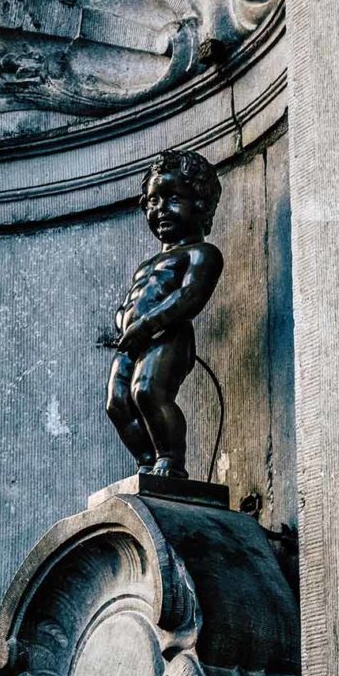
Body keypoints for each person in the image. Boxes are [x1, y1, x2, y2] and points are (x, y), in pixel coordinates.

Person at [106, 149, 223, 477]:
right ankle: (147, 463)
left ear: (199, 203)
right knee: (117, 402)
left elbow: (189, 297)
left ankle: (170, 461)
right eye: (153, 200)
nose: (160, 209)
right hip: (134, 340)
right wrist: (123, 321)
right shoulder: (146, 265)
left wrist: (146, 325)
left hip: (169, 335)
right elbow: (131, 300)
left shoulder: (202, 254)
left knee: (147, 391)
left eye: (172, 198)